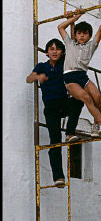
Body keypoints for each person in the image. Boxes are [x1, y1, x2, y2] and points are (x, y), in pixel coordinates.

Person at [26, 38, 83, 188]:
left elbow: (72, 45)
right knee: (55, 140)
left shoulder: (63, 63)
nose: (54, 51)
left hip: (63, 102)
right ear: (46, 52)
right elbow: (28, 78)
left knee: (78, 101)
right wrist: (38, 77)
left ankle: (70, 132)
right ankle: (58, 176)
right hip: (51, 107)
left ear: (62, 52)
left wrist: (72, 21)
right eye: (51, 49)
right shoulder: (42, 66)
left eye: (57, 49)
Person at [58, 5, 101, 138]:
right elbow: (60, 27)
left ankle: (96, 127)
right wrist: (74, 18)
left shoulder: (91, 46)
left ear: (89, 36)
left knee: (97, 97)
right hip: (70, 77)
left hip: (82, 76)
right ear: (76, 35)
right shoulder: (70, 43)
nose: (82, 35)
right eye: (79, 33)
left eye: (85, 33)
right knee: (86, 97)